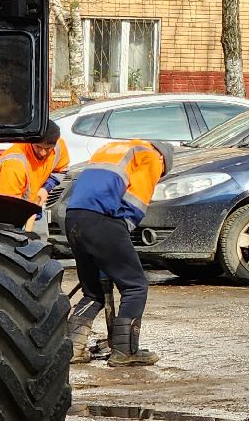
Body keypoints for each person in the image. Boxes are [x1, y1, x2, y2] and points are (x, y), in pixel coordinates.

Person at [62, 137, 176, 366]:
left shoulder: (112, 149)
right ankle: (125, 351)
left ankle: (73, 348)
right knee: (135, 285)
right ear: (163, 159)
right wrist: (122, 231)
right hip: (102, 220)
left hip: (73, 217)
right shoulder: (151, 157)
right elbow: (135, 201)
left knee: (92, 291)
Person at [0, 120, 70, 210]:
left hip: (34, 207)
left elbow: (61, 170)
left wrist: (45, 189)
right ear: (30, 141)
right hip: (12, 211)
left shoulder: (59, 146)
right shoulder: (14, 165)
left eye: (48, 148)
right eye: (38, 147)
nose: (43, 153)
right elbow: (6, 208)